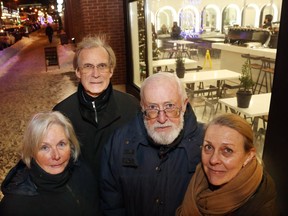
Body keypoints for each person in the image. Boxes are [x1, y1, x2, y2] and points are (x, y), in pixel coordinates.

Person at [53, 35, 140, 215]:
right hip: (81, 204)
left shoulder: (131, 107)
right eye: (88, 66)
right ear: (77, 72)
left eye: (102, 66)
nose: (95, 74)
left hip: (124, 205)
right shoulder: (62, 114)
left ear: (111, 70)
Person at [100, 72, 204, 216]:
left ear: (184, 105)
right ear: (142, 107)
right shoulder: (119, 142)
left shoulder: (207, 143)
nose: (161, 119)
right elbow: (111, 200)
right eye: (153, 108)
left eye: (170, 106)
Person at [176, 113, 278, 216]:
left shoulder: (260, 208)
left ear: (249, 156)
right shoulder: (197, 178)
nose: (213, 160)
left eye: (227, 150)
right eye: (209, 147)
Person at [0, 111, 98, 216]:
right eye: (44, 147)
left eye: (61, 144)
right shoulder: (14, 206)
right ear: (31, 152)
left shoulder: (82, 171)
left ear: (71, 145)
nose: (56, 156)